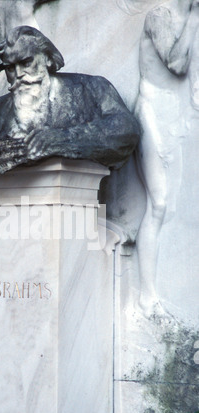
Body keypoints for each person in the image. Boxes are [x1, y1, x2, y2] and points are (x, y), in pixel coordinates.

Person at [0, 25, 139, 172]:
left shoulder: (89, 88)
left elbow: (125, 130)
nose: (18, 74)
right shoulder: (1, 109)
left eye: (26, 62)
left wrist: (62, 139)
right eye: (10, 68)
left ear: (48, 59)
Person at [135, 0, 199, 317]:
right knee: (158, 204)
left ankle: (151, 293)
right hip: (150, 111)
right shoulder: (159, 15)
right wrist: (194, 18)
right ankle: (147, 298)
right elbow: (177, 63)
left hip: (171, 114)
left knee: (168, 207)